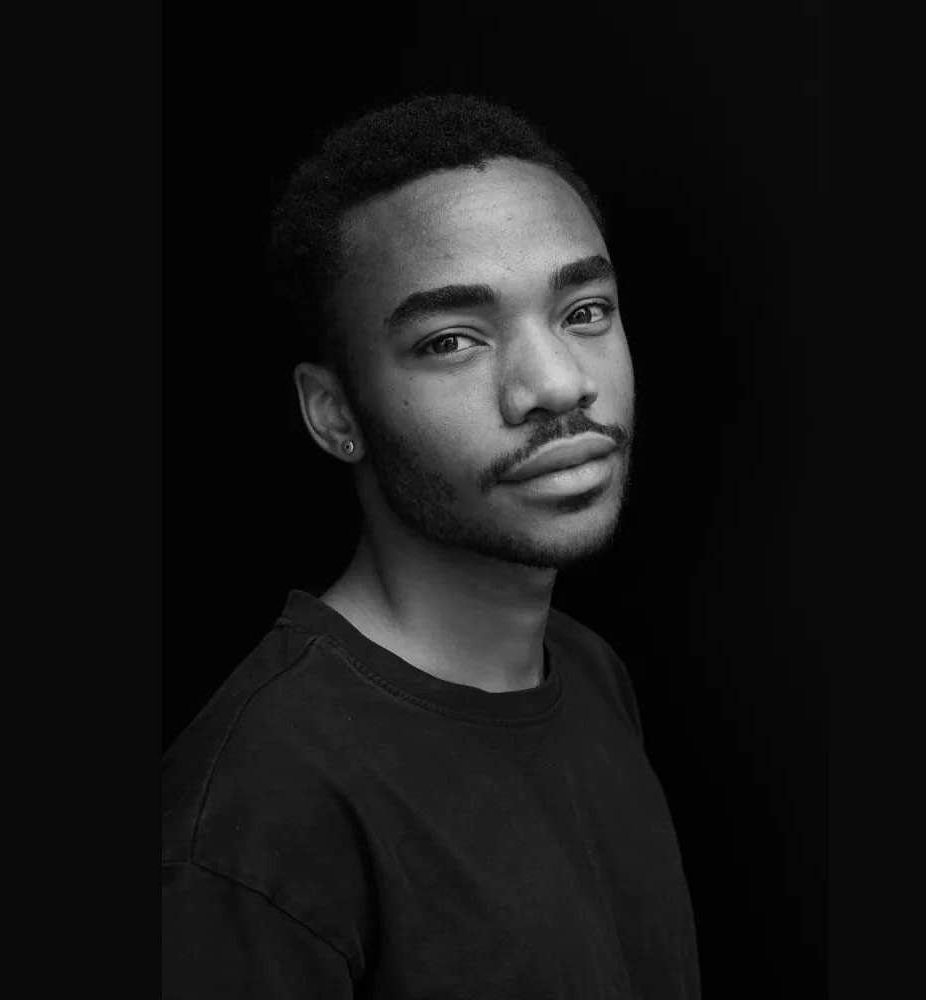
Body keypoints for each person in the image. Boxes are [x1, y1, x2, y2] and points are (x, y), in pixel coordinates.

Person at [162, 94, 700, 998]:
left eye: (584, 311)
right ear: (334, 413)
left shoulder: (588, 673)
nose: (556, 385)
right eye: (452, 340)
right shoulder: (256, 817)